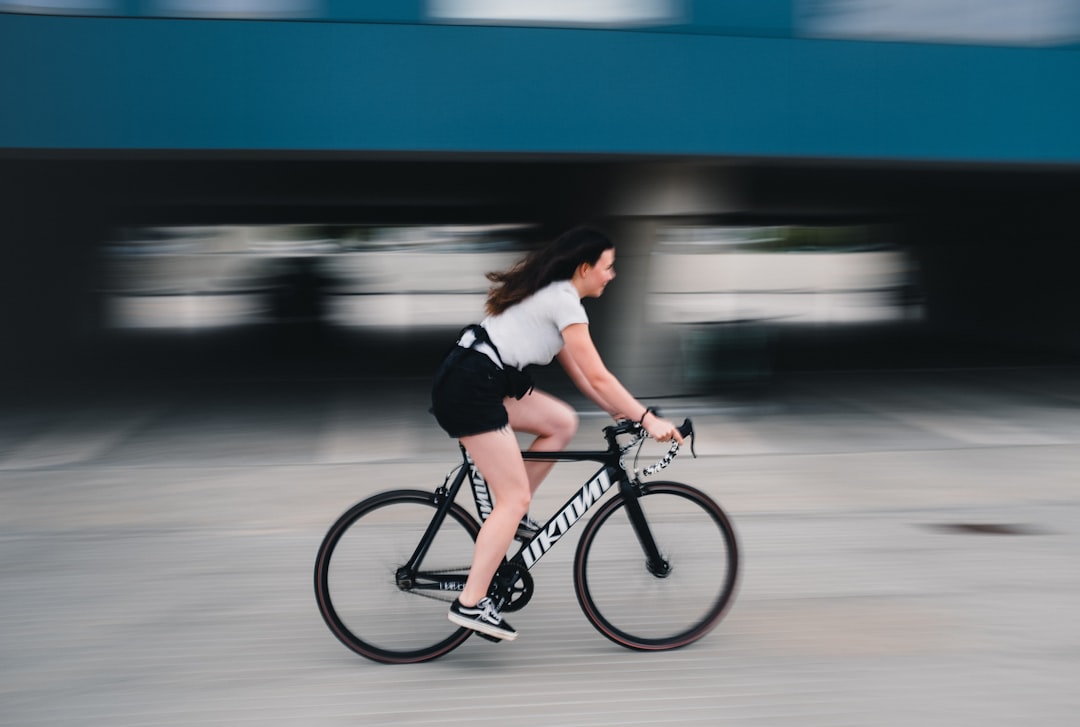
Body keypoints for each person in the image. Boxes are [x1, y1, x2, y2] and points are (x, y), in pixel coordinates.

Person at [430, 225, 683, 641]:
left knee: (562, 421)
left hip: (482, 379)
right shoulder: (563, 301)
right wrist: (646, 419)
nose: (612, 274)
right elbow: (601, 375)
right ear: (585, 268)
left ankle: (510, 516)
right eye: (608, 267)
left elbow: (587, 379)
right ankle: (471, 603)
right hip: (470, 387)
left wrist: (621, 413)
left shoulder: (554, 295)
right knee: (513, 498)